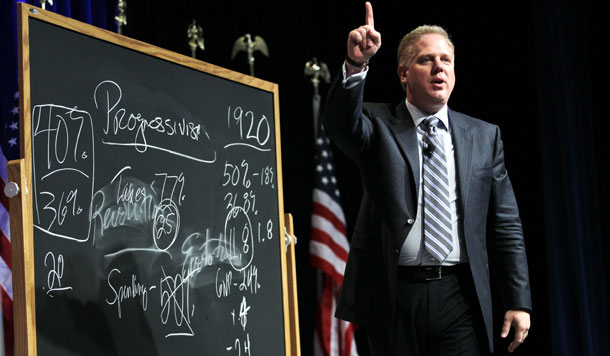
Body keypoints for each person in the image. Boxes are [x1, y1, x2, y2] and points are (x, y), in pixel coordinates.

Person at [324, 2, 532, 355]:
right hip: (393, 295)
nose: (439, 67)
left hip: (459, 295)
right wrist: (356, 65)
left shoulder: (484, 136)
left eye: (446, 60)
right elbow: (341, 127)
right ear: (404, 73)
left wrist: (518, 300)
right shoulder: (377, 123)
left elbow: (505, 224)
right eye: (426, 60)